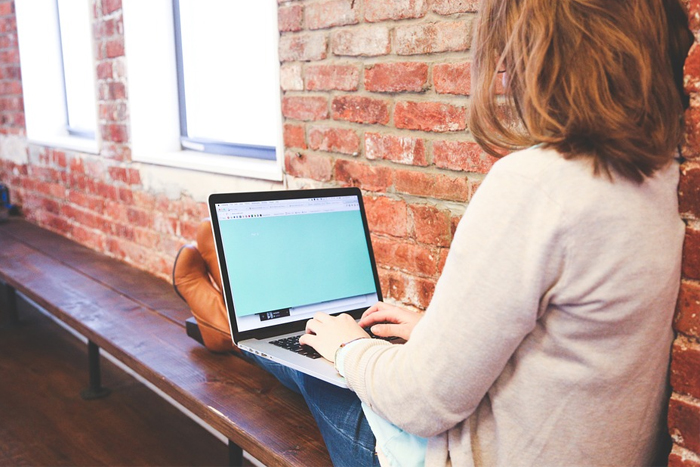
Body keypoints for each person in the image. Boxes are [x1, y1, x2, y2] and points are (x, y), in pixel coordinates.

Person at [174, 0, 693, 465]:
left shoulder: (539, 184)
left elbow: (422, 405)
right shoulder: (669, 177)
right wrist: (436, 335)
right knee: (338, 340)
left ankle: (230, 325)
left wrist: (350, 348)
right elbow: (567, 350)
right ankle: (239, 326)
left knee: (322, 365)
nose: (505, 67)